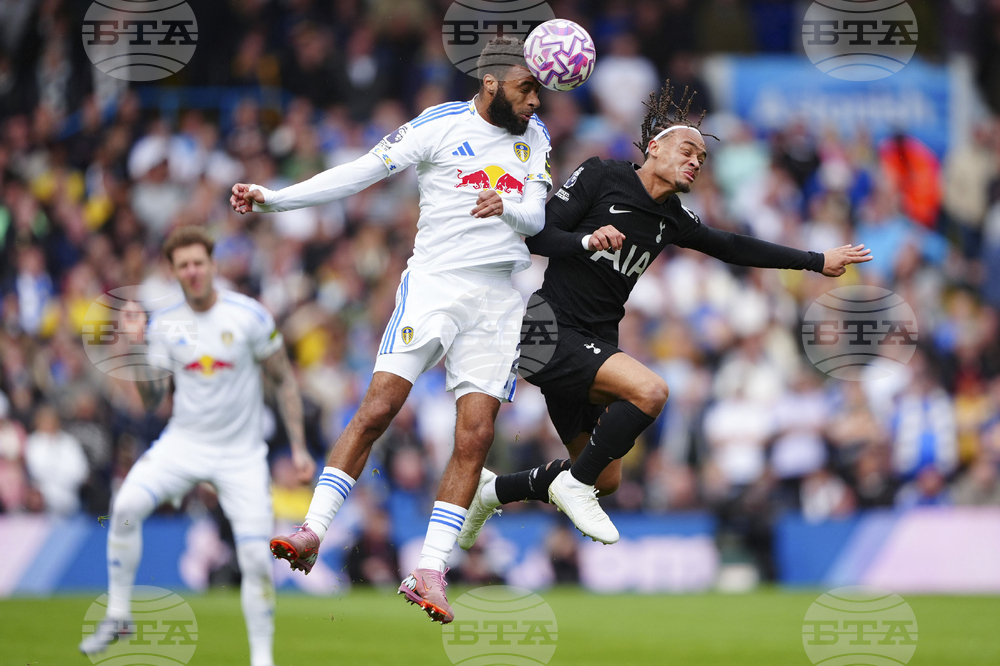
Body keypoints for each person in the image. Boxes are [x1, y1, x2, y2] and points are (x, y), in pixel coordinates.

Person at [458, 83, 873, 547]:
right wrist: (587, 241)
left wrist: (816, 260)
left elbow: (732, 245)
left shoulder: (673, 217)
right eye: (688, 149)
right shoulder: (601, 175)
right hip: (547, 329)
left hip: (593, 339)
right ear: (654, 148)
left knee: (606, 477)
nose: (696, 160)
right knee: (651, 391)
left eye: (702, 157)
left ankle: (493, 491)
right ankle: (568, 487)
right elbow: (539, 236)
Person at [230, 37, 551, 624]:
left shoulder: (537, 139)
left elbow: (535, 215)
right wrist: (275, 200)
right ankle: (311, 530)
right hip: (434, 285)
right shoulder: (437, 126)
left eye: (539, 89)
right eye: (527, 88)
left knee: (475, 438)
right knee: (379, 406)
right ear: (491, 84)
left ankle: (430, 570)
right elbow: (361, 172)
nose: (536, 100)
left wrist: (504, 209)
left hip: (499, 300)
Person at [79, 226, 315, 666]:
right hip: (183, 444)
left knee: (255, 559)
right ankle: (118, 615)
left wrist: (298, 447)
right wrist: (135, 347)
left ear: (212, 265)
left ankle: (262, 659)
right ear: (173, 272)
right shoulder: (167, 324)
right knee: (126, 506)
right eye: (182, 265)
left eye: (198, 262)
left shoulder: (249, 316)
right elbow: (153, 401)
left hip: (242, 454)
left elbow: (283, 380)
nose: (192, 271)